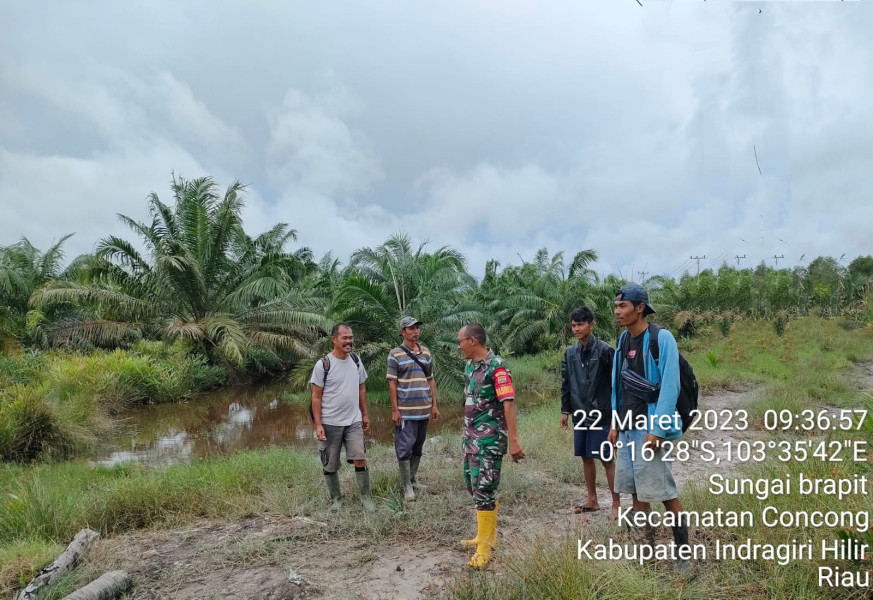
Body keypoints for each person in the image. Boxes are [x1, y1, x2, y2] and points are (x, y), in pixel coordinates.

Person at [607, 284, 690, 571]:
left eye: (623, 306)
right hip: (627, 428)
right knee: (636, 493)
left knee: (664, 493)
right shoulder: (622, 341)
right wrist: (615, 423)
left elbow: (670, 387)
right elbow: (617, 386)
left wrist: (658, 430)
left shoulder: (661, 338)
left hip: (650, 429)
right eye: (616, 307)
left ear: (640, 308)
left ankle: (683, 557)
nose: (617, 312)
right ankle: (645, 559)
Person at [457, 323, 525, 568]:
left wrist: (513, 440)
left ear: (473, 341)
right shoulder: (470, 366)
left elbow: (508, 403)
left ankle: (485, 546)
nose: (458, 346)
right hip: (471, 438)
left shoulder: (497, 367)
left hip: (489, 439)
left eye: (460, 341)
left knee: (484, 488)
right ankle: (485, 535)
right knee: (472, 483)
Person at [560, 306, 620, 521]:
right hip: (580, 412)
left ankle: (616, 504)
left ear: (591, 325)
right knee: (586, 456)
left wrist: (615, 418)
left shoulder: (605, 351)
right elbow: (566, 383)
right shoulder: (570, 353)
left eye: (580, 325)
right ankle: (592, 500)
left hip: (602, 413)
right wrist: (565, 411)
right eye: (573, 325)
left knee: (606, 458)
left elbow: (616, 385)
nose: (576, 329)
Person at [311, 323, 374, 511]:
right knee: (330, 463)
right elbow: (316, 397)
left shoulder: (356, 360)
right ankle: (336, 500)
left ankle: (366, 498)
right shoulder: (323, 365)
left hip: (353, 420)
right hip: (330, 422)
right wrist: (318, 424)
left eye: (351, 338)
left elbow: (361, 388)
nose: (349, 341)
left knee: (360, 457)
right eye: (344, 338)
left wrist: (364, 414)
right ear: (334, 339)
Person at [387, 316, 440, 501]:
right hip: (406, 411)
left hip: (423, 409)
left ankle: (413, 478)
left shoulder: (426, 352)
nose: (416, 331)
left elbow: (430, 380)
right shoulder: (395, 354)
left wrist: (434, 405)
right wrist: (395, 410)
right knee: (404, 448)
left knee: (418, 446)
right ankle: (406, 486)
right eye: (411, 328)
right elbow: (392, 383)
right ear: (402, 332)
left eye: (417, 328)